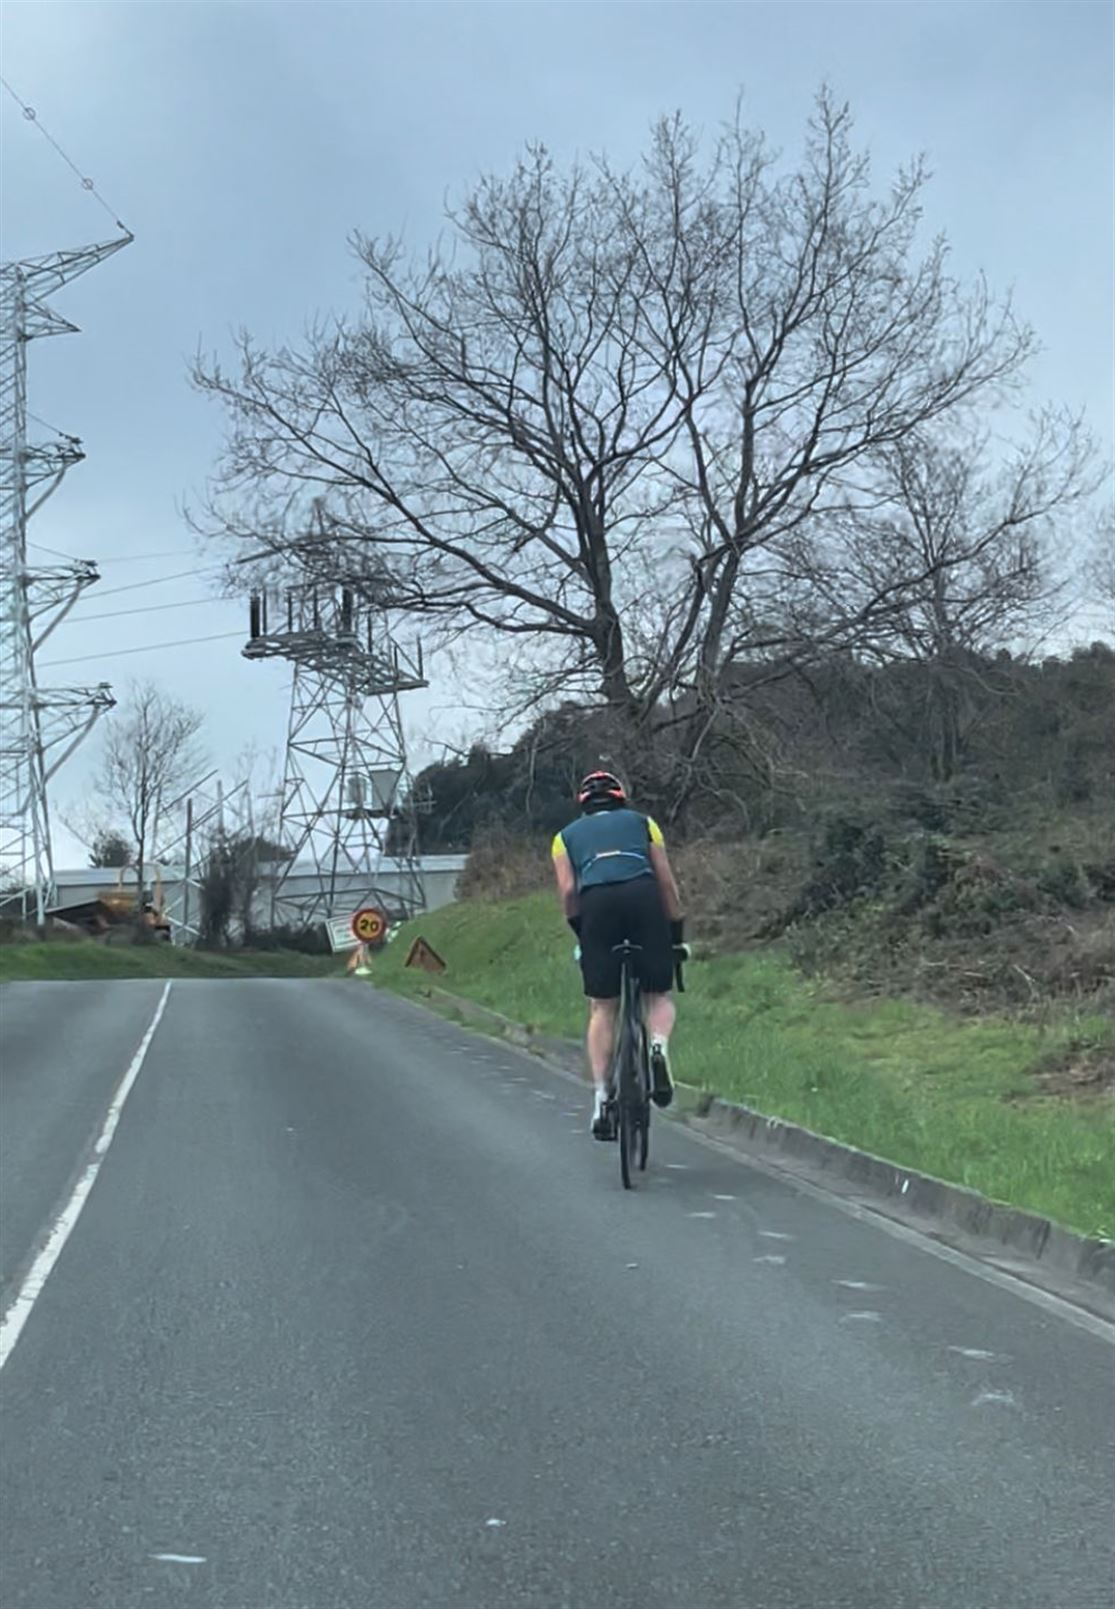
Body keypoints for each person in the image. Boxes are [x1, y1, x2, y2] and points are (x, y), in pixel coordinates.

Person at [551, 771, 686, 1140]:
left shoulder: (563, 838)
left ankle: (601, 1098)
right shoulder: (644, 824)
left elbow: (568, 891)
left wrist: (582, 931)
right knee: (657, 994)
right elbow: (665, 881)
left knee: (603, 1006)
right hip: (643, 897)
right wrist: (675, 934)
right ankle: (657, 1047)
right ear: (620, 798)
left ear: (583, 804)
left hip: (597, 905)